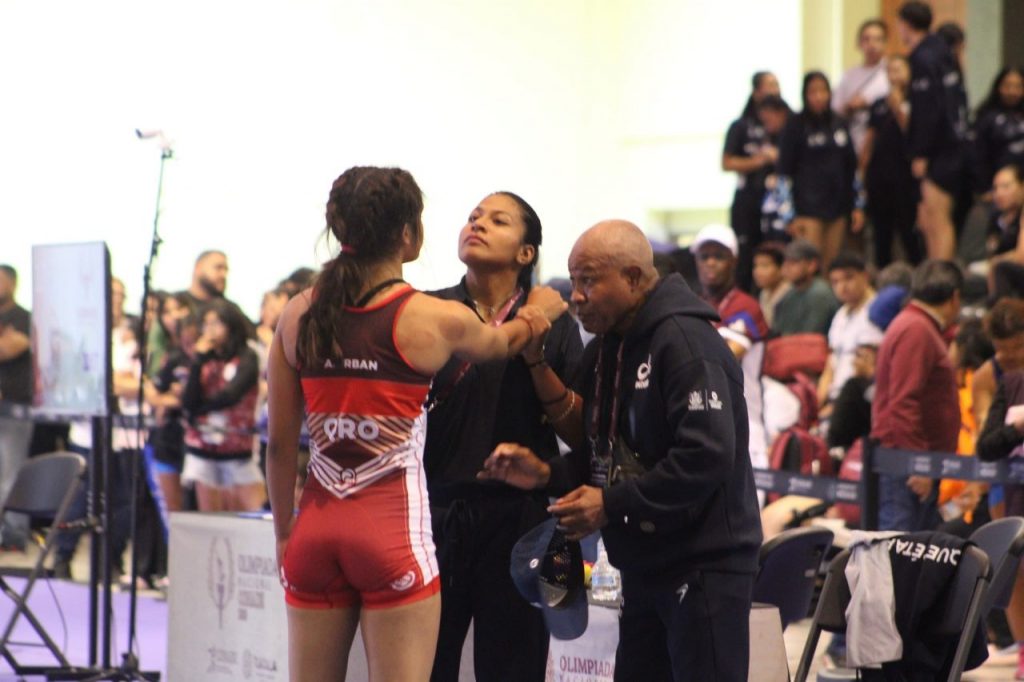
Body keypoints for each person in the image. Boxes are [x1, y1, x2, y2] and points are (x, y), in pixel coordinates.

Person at [265, 166, 567, 682]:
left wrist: (283, 533)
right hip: (390, 533)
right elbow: (501, 344)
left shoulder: (298, 313)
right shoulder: (430, 316)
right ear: (409, 235)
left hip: (315, 531)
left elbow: (278, 445)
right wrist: (536, 312)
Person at [479, 220, 762, 682]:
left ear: (632, 278)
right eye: (574, 281)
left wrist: (610, 504)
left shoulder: (685, 343)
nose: (576, 296)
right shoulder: (610, 348)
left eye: (588, 281)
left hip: (703, 565)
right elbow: (608, 453)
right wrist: (547, 474)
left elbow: (706, 456)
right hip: (647, 563)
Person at [424, 191, 582, 682]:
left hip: (521, 522)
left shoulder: (556, 323)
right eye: (473, 217)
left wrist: (535, 358)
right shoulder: (430, 309)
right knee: (425, 666)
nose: (478, 224)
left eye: (497, 220)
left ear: (525, 253)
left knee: (513, 669)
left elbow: (579, 431)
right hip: (434, 516)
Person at [872, 260, 962, 531]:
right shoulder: (916, 329)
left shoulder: (917, 325)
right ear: (955, 297)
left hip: (911, 462)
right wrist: (919, 464)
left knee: (912, 547)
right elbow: (903, 402)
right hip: (906, 467)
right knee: (900, 548)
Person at [691, 224, 770, 499]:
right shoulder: (694, 304)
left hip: (746, 423)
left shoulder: (746, 306)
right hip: (705, 423)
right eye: (705, 256)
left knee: (749, 509)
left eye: (719, 256)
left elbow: (724, 356)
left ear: (734, 261)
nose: (711, 263)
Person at [975, 298, 1024, 680]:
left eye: (1018, 347)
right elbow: (986, 444)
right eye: (1002, 349)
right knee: (1017, 574)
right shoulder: (999, 380)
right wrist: (1017, 429)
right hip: (1010, 492)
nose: (1009, 356)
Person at [898, 1, 968, 260]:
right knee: (928, 219)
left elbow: (930, 110)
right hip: (952, 145)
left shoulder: (924, 57)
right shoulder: (943, 51)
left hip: (940, 150)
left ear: (906, 24)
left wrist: (921, 152)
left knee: (937, 218)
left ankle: (942, 276)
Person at [181, 298, 265, 512]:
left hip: (237, 449)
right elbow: (188, 400)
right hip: (202, 448)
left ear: (230, 325)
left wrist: (198, 410)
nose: (210, 330)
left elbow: (231, 394)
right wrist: (198, 360)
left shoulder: (247, 356)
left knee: (255, 513)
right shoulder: (203, 358)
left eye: (216, 323)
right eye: (206, 324)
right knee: (211, 519)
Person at [777, 71, 861, 268]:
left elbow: (852, 168)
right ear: (805, 94)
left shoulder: (839, 123)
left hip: (838, 207)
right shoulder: (795, 125)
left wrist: (857, 205)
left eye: (823, 91)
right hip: (807, 208)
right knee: (810, 265)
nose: (818, 97)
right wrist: (788, 216)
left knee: (832, 265)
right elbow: (783, 173)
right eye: (813, 92)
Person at [722, 71, 782, 291]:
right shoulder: (741, 126)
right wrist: (760, 160)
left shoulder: (785, 124)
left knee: (774, 251)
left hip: (776, 203)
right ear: (756, 92)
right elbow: (727, 162)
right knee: (746, 255)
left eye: (777, 85)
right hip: (747, 201)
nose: (775, 90)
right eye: (770, 85)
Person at [862, 55, 923, 267]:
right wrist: (862, 171)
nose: (894, 76)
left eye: (899, 70)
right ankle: (883, 275)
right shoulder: (879, 103)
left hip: (906, 177)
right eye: (890, 71)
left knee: (909, 233)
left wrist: (899, 107)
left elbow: (913, 133)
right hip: (880, 176)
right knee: (881, 234)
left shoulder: (918, 101)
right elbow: (870, 139)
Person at [817, 252, 883, 412]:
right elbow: (830, 366)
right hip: (836, 399)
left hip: (861, 399)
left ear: (865, 276)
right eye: (835, 282)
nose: (842, 286)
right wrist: (817, 405)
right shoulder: (840, 316)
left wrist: (836, 408)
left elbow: (865, 369)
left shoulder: (877, 311)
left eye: (848, 278)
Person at [0, 265, 33, 550]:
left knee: (13, 472)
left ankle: (14, 534)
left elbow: (10, 349)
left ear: (12, 284)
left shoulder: (24, 318)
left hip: (15, 407)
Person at [832, 18, 890, 156]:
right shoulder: (849, 75)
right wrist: (850, 107)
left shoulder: (890, 73)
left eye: (877, 39)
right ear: (859, 43)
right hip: (852, 142)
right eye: (866, 39)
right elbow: (835, 109)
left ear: (885, 43)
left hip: (882, 144)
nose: (872, 45)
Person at [973, 67, 1024, 196]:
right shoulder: (986, 117)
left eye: (1018, 86)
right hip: (995, 191)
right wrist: (984, 188)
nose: (1012, 91)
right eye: (1007, 86)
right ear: (999, 87)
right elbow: (978, 157)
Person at [772, 239, 840, 336]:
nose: (786, 267)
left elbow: (810, 336)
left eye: (793, 262)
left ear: (812, 265)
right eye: (785, 262)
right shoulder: (790, 293)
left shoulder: (819, 294)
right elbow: (777, 331)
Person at [986, 164, 1024, 299]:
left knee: (1000, 267)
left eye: (1006, 187)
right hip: (1007, 272)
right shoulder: (995, 217)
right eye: (995, 188)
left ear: (1022, 187)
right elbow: (991, 249)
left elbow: (1021, 256)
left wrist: (997, 261)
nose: (999, 194)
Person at [752, 241, 790, 327]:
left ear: (782, 268)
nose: (758, 272)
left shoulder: (789, 294)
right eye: (756, 266)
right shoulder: (764, 293)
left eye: (764, 266)